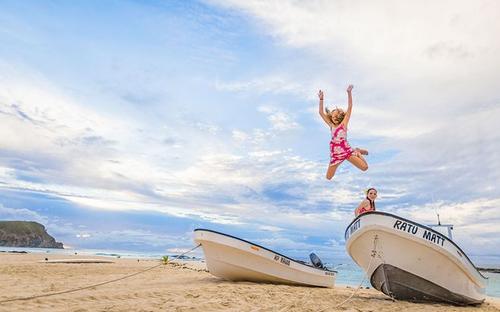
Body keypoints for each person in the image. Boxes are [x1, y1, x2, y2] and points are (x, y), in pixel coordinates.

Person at [318, 85, 368, 180]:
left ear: (341, 117)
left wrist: (349, 93)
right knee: (328, 177)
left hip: (346, 151)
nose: (334, 118)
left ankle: (357, 151)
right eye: (333, 116)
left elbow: (350, 107)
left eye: (336, 116)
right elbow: (321, 112)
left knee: (365, 168)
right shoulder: (331, 126)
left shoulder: (344, 124)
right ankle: (355, 151)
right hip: (336, 154)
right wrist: (321, 99)